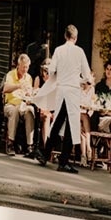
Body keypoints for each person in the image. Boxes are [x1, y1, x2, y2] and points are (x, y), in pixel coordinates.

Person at [36, 25, 92, 174]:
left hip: (61, 89)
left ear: (65, 36)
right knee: (71, 125)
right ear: (75, 37)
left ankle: (45, 153)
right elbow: (87, 74)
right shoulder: (79, 52)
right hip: (72, 91)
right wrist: (84, 81)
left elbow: (52, 69)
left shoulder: (59, 50)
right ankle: (63, 160)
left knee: (59, 120)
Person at [2, 53, 35, 156]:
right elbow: (5, 89)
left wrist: (30, 94)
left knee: (30, 111)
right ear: (18, 65)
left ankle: (30, 145)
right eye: (23, 67)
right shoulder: (11, 74)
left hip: (23, 104)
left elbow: (29, 92)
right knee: (15, 111)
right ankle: (10, 143)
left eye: (27, 67)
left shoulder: (29, 77)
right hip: (11, 104)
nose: (25, 70)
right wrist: (18, 85)